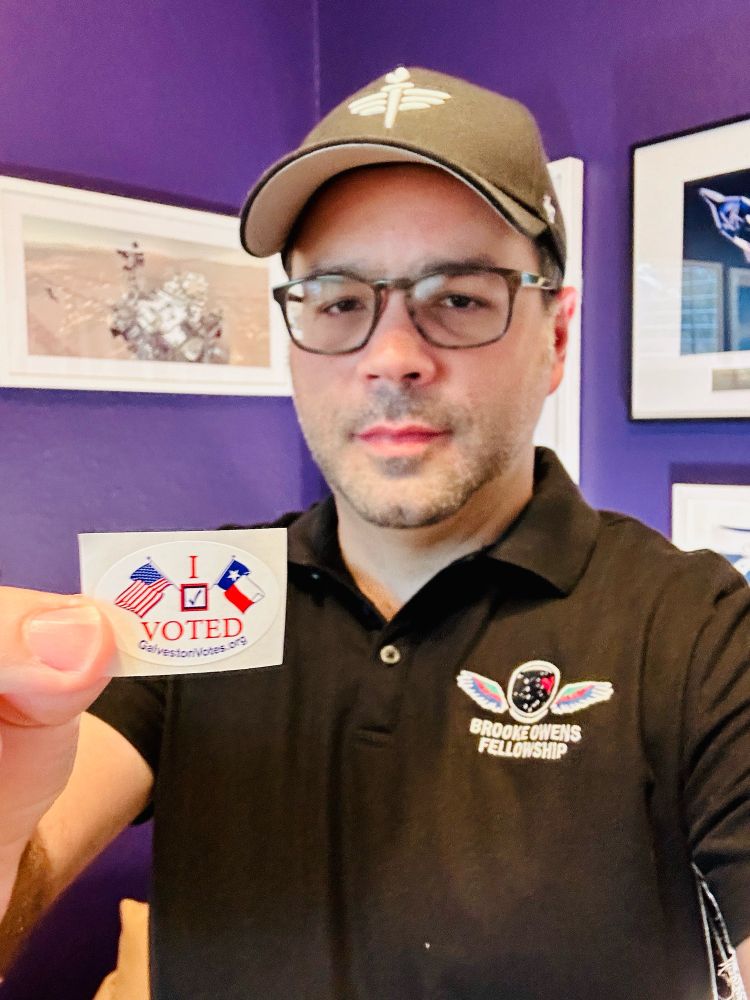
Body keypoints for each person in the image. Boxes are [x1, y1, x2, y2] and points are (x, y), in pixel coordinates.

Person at [1, 66, 749, 1000]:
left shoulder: (697, 628)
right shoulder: (197, 591)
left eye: (462, 297)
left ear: (556, 338)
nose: (392, 356)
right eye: (340, 302)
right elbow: (31, 843)